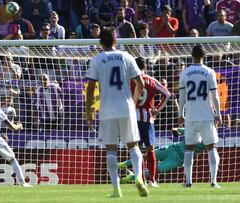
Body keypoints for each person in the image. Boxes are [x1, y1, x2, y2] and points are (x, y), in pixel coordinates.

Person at [85, 29, 148, 198]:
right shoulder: (126, 57)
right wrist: (133, 101)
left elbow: (90, 88)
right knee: (133, 145)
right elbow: (141, 83)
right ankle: (139, 178)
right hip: (126, 107)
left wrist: (89, 111)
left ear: (100, 43)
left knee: (111, 149)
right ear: (116, 41)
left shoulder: (97, 60)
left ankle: (116, 189)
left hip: (107, 109)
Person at [178, 45, 222, 188]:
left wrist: (180, 114)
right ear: (204, 56)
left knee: (189, 148)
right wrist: (218, 114)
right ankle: (214, 181)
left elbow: (182, 96)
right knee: (211, 147)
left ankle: (188, 182)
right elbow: (215, 96)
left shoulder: (185, 73)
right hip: (206, 116)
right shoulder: (209, 72)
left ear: (192, 55)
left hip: (191, 116)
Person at [131, 57, 171, 187]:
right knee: (150, 149)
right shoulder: (151, 80)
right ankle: (152, 180)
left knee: (136, 149)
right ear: (145, 67)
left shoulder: (130, 80)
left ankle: (140, 180)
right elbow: (167, 94)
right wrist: (157, 109)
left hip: (133, 117)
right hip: (147, 118)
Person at [119, 140, 206, 184]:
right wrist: (178, 130)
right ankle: (124, 164)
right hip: (171, 148)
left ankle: (131, 177)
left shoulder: (210, 139)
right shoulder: (196, 127)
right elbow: (184, 131)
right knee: (148, 155)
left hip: (176, 160)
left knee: (156, 170)